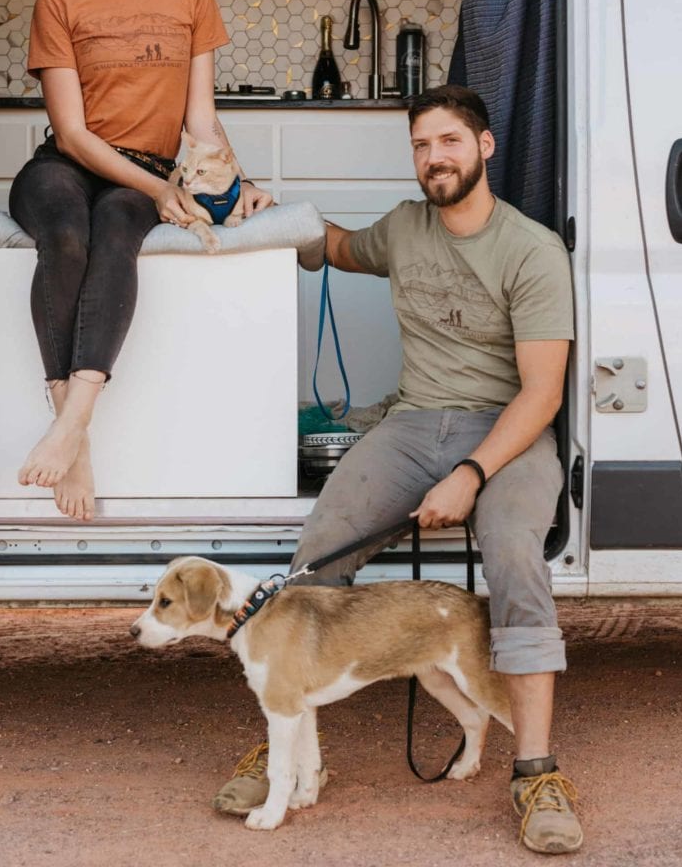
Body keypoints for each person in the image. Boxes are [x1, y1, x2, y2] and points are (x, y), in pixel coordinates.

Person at [214, 84, 582, 854]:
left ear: (483, 147)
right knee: (321, 551)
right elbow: (342, 248)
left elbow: (543, 393)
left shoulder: (531, 248)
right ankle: (291, 750)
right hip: (412, 423)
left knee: (516, 559)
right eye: (420, 145)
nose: (433, 158)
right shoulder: (407, 227)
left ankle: (537, 771)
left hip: (505, 431)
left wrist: (473, 475)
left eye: (448, 141)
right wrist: (272, 216)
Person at [9, 0, 273, 522]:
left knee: (118, 228)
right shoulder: (59, 2)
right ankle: (74, 428)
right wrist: (160, 190)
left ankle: (72, 425)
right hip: (63, 168)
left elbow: (202, 119)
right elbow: (71, 135)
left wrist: (234, 183)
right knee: (67, 233)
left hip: (145, 173)